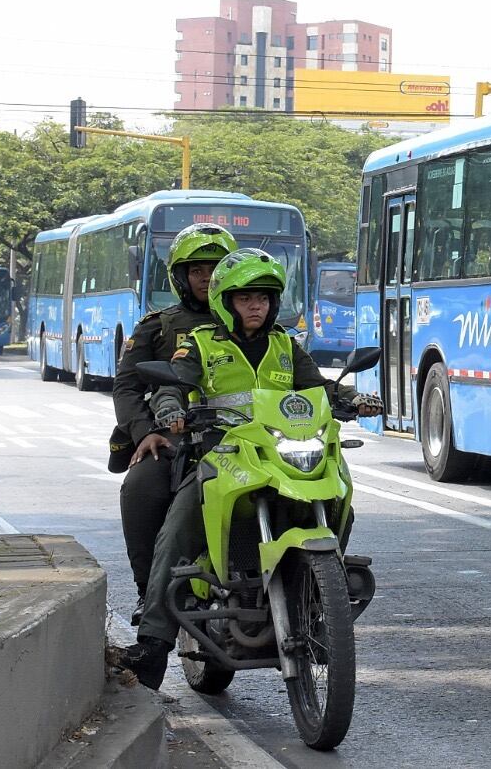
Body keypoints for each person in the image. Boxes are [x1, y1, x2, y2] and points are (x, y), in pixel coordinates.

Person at [119, 249, 379, 689]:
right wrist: (170, 409)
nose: (255, 306)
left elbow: (316, 388)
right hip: (221, 454)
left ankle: (319, 602)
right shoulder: (201, 343)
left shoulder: (285, 345)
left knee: (340, 503)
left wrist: (352, 399)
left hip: (282, 455)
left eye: (262, 298)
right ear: (226, 302)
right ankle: (152, 644)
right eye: (244, 299)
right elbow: (170, 384)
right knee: (180, 526)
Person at [111, 223, 239, 623]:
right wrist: (144, 432)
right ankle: (148, 593)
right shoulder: (159, 324)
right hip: (175, 436)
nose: (205, 277)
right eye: (196, 270)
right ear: (180, 276)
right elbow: (128, 387)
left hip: (248, 436)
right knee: (140, 487)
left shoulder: (255, 320)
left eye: (214, 268)